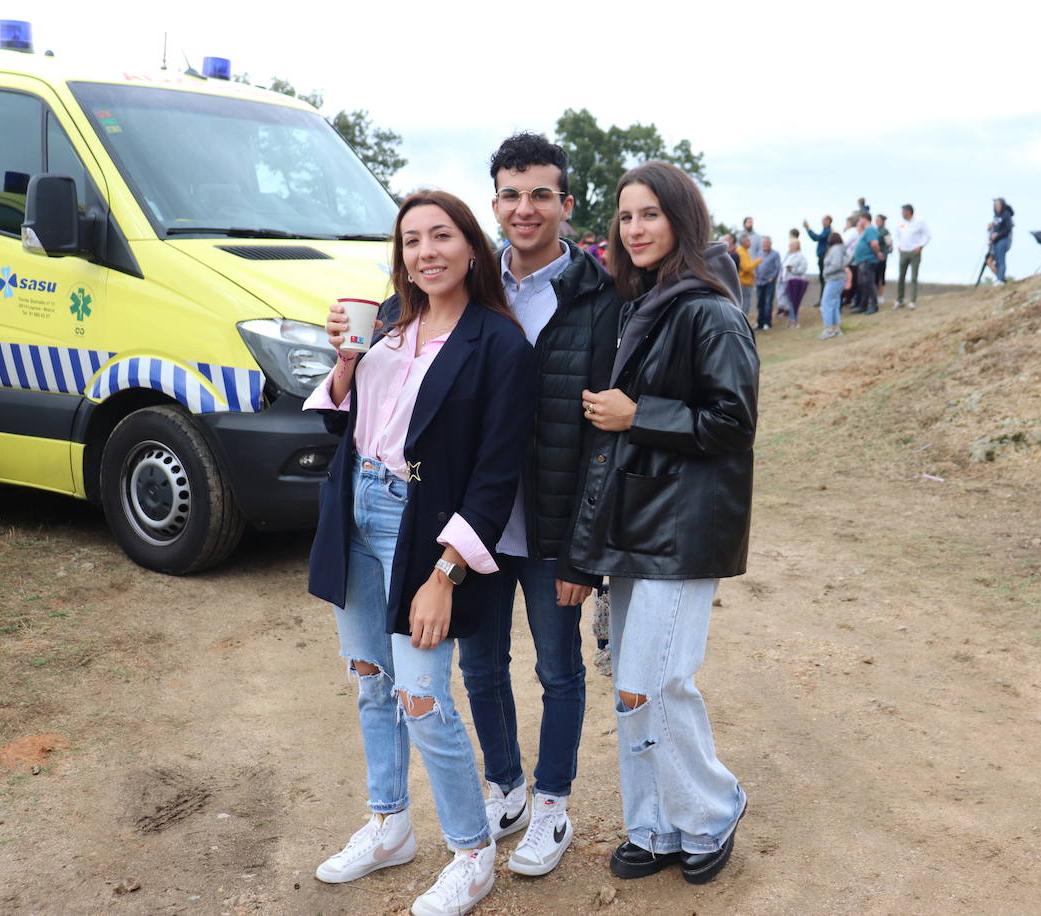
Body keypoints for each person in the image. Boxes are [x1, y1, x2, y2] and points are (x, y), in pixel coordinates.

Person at [305, 189, 538, 916]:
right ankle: (389, 825)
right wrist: (344, 366)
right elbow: (345, 422)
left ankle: (472, 853)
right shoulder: (388, 322)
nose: (426, 252)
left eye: (441, 237)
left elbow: (498, 474)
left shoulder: (498, 343)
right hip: (356, 508)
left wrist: (445, 573)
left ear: (472, 246)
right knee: (372, 678)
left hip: (423, 528)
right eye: (411, 241)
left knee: (423, 696)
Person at [571, 159, 756, 887]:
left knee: (659, 681)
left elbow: (733, 420)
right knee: (630, 685)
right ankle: (654, 824)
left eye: (649, 214)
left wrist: (636, 415)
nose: (635, 228)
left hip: (684, 527)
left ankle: (711, 811)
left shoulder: (708, 308)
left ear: (681, 218)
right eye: (625, 216)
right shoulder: (641, 302)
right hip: (636, 519)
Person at [455, 133, 622, 879]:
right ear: (494, 202)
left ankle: (552, 804)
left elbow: (605, 441)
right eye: (511, 195)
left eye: (540, 195)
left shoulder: (600, 298)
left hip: (553, 526)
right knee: (479, 665)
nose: (525, 209)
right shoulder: (466, 283)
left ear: (566, 203)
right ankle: (506, 788)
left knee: (559, 670)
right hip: (474, 521)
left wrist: (588, 549)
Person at [894, 204, 931, 309]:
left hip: (914, 252)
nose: (901, 213)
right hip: (903, 252)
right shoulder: (901, 223)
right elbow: (896, 236)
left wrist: (920, 246)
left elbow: (928, 235)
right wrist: (898, 246)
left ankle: (912, 301)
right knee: (901, 276)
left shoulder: (919, 221)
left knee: (913, 277)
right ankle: (899, 300)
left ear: (909, 212)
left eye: (903, 211)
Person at [849, 216, 882, 313]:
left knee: (869, 283)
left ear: (864, 219)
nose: (859, 222)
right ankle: (863, 305)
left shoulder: (870, 229)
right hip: (862, 261)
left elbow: (874, 244)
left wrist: (877, 253)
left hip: (868, 260)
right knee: (862, 284)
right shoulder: (866, 230)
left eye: (860, 219)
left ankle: (873, 306)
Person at [819, 231, 847, 337]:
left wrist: (826, 272)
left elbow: (836, 265)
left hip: (834, 279)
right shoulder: (841, 249)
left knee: (826, 303)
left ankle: (829, 329)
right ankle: (836, 328)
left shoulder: (835, 249)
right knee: (835, 303)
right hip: (839, 279)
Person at [802, 214, 833, 301]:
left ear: (828, 221)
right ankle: (822, 299)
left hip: (824, 256)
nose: (822, 222)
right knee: (822, 277)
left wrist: (808, 229)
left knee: (823, 278)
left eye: (823, 220)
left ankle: (823, 299)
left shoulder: (827, 231)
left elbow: (817, 238)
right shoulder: (826, 231)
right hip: (822, 256)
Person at [754, 236, 782, 330]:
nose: (765, 244)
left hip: (769, 282)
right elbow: (756, 266)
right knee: (760, 303)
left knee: (768, 302)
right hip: (759, 282)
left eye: (767, 243)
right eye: (764, 243)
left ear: (770, 244)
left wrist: (772, 277)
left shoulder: (775, 254)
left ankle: (767, 323)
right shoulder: (758, 253)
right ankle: (760, 323)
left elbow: (778, 267)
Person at [781, 237, 809, 327]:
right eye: (790, 245)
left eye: (792, 245)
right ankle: (791, 319)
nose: (790, 247)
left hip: (795, 281)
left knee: (794, 301)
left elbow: (803, 268)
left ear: (796, 246)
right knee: (789, 302)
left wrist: (793, 269)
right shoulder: (788, 256)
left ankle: (794, 321)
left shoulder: (800, 256)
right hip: (787, 280)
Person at [987, 197, 1015, 283]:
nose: (997, 207)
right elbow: (994, 229)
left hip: (1004, 240)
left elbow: (1008, 228)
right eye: (995, 205)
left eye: (998, 205)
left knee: (1000, 260)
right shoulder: (996, 216)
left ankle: (1000, 279)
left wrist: (998, 234)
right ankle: (1001, 278)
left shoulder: (1006, 214)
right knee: (993, 261)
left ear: (1002, 205)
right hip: (995, 242)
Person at [734, 234, 760, 317]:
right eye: (748, 241)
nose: (750, 242)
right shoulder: (742, 252)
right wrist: (758, 261)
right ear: (743, 242)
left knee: (745, 304)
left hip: (746, 282)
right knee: (745, 305)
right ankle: (743, 326)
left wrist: (753, 274)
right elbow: (746, 268)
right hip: (744, 282)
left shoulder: (744, 251)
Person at [873, 214, 891, 298]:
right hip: (875, 257)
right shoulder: (875, 230)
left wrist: (885, 253)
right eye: (876, 220)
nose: (877, 222)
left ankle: (881, 296)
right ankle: (876, 295)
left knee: (881, 277)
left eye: (878, 220)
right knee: (875, 277)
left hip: (882, 257)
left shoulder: (885, 231)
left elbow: (889, 244)